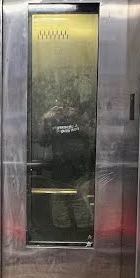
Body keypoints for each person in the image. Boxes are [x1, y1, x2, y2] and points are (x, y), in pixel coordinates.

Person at [37, 94, 94, 235]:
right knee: (59, 205)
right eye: (65, 105)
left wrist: (78, 119)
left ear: (77, 108)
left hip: (81, 172)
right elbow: (42, 141)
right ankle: (62, 237)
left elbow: (93, 136)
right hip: (58, 171)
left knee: (80, 204)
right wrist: (44, 119)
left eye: (72, 106)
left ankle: (83, 238)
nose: (68, 109)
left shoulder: (82, 119)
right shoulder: (53, 121)